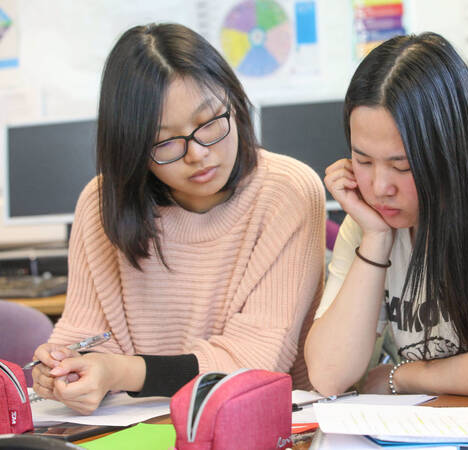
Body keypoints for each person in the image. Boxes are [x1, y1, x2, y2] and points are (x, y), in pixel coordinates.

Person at [31, 23, 325, 414]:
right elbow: (84, 336)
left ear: (234, 102)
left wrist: (121, 372)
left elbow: (255, 358)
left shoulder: (287, 190)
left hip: (262, 423)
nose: (198, 154)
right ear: (133, 147)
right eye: (166, 141)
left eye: (209, 123)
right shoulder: (102, 203)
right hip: (135, 428)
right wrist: (63, 369)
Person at [304, 32, 468, 398]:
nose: (381, 186)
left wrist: (399, 376)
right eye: (363, 160)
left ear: (450, 148)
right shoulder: (370, 218)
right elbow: (328, 374)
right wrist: (377, 239)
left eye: (403, 165)